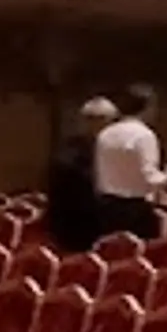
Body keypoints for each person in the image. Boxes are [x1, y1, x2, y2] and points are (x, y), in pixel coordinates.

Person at [91, 81, 167, 242]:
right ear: (148, 108)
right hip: (136, 211)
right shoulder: (144, 135)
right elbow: (150, 180)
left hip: (104, 208)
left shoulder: (105, 134)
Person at [45, 97, 114, 252]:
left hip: (109, 225)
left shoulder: (115, 148)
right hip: (77, 226)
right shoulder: (69, 151)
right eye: (95, 120)